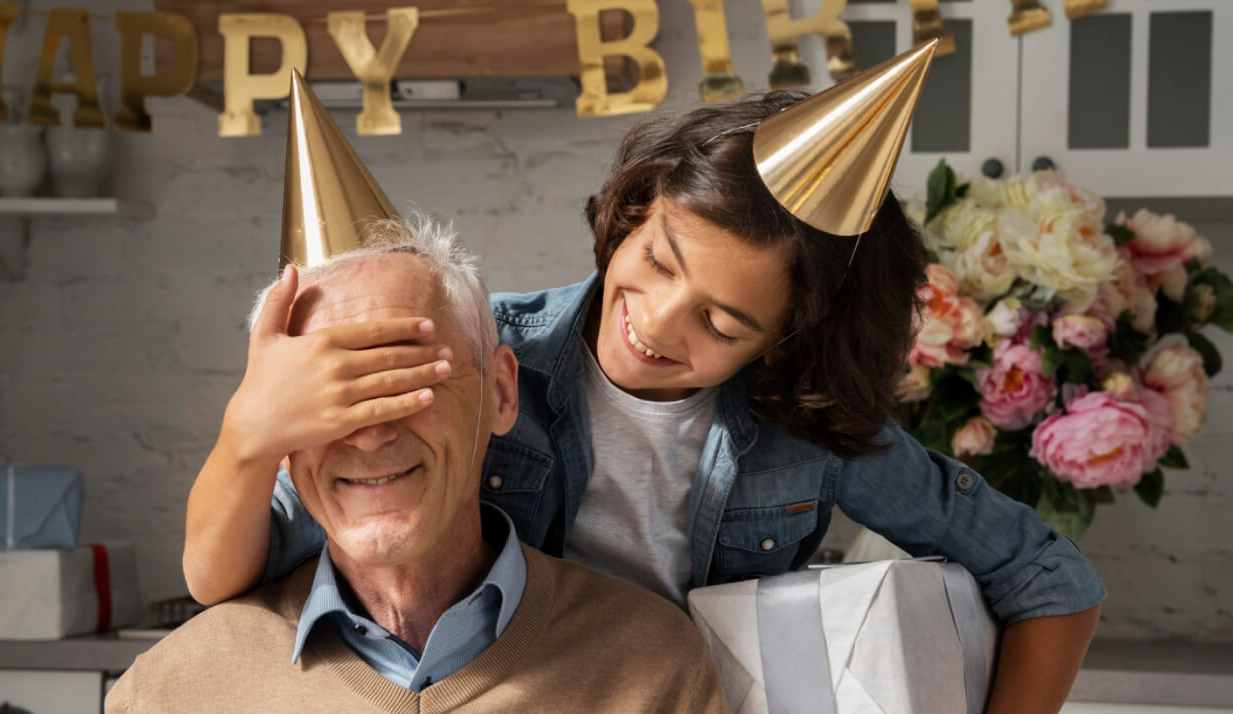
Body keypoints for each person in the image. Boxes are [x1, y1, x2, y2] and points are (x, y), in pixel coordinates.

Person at [187, 47, 1104, 712]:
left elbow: (1049, 578)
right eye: (659, 261)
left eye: (721, 321)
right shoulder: (486, 358)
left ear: (785, 341)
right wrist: (248, 434)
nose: (657, 322)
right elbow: (225, 571)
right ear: (634, 210)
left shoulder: (808, 435)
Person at [107, 220, 728, 713]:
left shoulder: (654, 670)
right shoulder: (168, 692)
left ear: (502, 395)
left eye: (410, 380)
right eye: (326, 400)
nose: (371, 433)